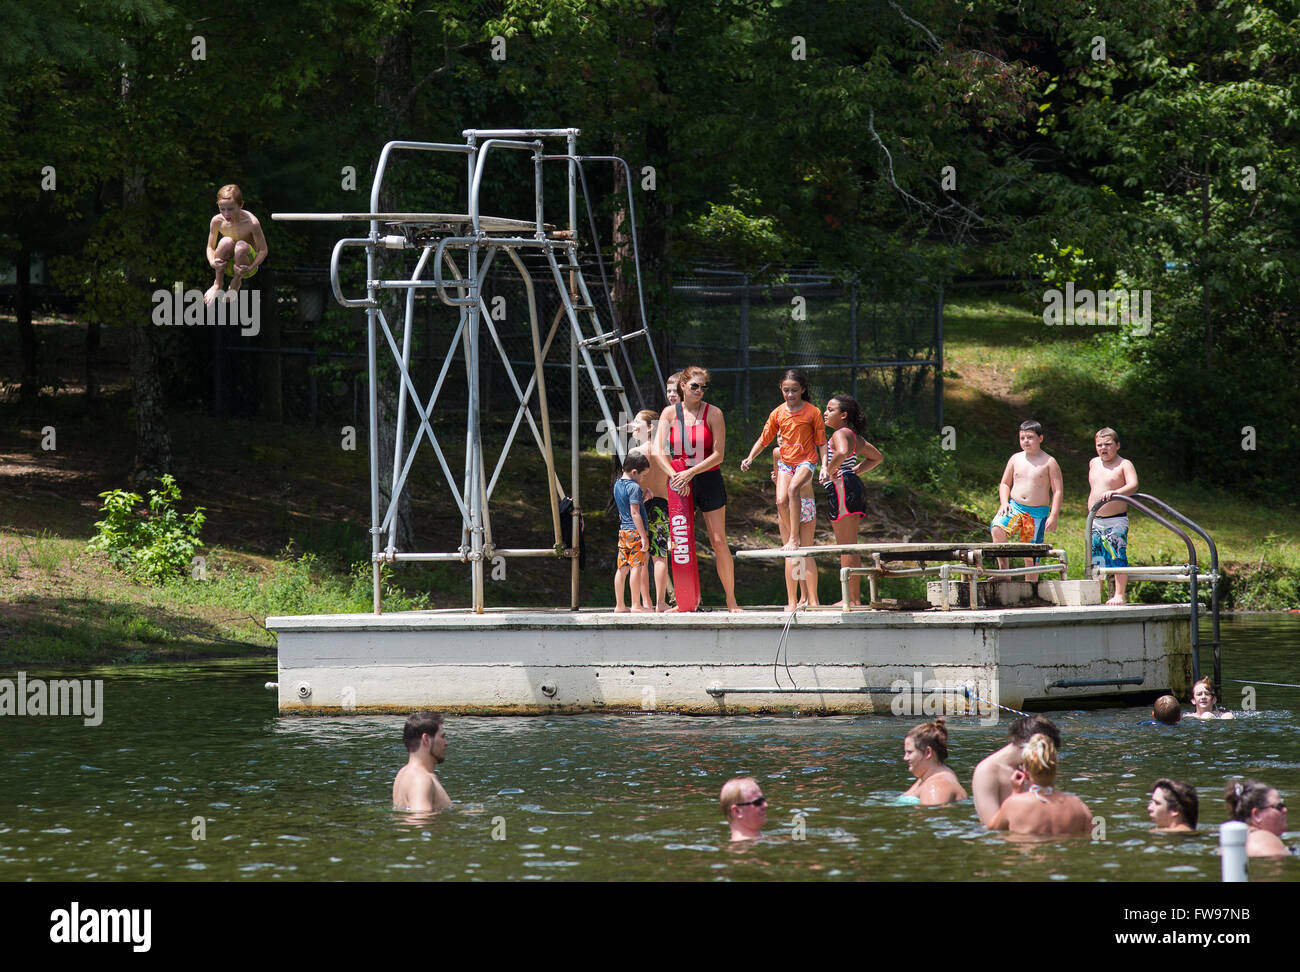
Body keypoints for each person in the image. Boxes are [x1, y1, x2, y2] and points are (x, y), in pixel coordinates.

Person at [652, 365, 741, 612]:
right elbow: (659, 450)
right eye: (695, 386)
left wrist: (690, 473)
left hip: (707, 479)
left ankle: (731, 600)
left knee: (718, 540)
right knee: (680, 541)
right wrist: (675, 476)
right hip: (678, 480)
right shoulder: (669, 413)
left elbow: (719, 455)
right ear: (683, 386)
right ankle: (685, 601)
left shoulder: (714, 413)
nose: (699, 390)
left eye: (703, 387)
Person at [740, 370, 827, 609]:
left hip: (804, 485)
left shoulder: (812, 413)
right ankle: (796, 600)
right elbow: (764, 439)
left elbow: (821, 442)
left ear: (803, 390)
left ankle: (812, 599)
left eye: (794, 390)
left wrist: (825, 467)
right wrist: (750, 458)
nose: (790, 394)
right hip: (789, 496)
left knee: (800, 548)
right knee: (782, 504)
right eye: (786, 390)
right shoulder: (779, 443)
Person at [819, 394, 883, 607]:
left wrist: (828, 470)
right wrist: (855, 469)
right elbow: (876, 457)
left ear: (843, 415)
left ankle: (851, 598)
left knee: (845, 546)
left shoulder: (840, 433)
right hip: (850, 485)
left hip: (842, 488)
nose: (825, 413)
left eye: (830, 409)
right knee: (850, 545)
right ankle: (853, 597)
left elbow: (843, 452)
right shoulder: (854, 435)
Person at [990, 420, 1063, 582]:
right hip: (1015, 507)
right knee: (997, 528)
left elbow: (1057, 490)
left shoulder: (1049, 462)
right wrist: (1004, 502)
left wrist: (1054, 515)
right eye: (1022, 438)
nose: (1026, 441)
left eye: (1030, 437)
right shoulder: (1015, 458)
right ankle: (1004, 574)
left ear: (1041, 438)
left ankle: (1031, 585)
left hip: (1035, 513)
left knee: (1030, 551)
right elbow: (1004, 483)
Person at [987, 733, 1092, 835]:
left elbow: (993, 829)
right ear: (1055, 769)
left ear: (1025, 773)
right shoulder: (1078, 805)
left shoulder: (1013, 804)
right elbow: (1095, 835)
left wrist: (1015, 793)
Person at [972, 714, 1062, 826]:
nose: (1045, 757)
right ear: (1023, 742)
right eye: (1043, 751)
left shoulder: (1033, 767)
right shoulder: (987, 770)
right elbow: (991, 825)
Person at [1087, 427, 1139, 605]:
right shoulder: (1094, 462)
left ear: (1117, 445)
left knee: (1117, 554)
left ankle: (1120, 594)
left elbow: (1133, 485)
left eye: (1108, 444)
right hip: (1094, 520)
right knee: (1096, 558)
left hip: (1116, 519)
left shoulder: (1124, 464)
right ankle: (1096, 593)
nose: (1103, 448)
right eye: (1099, 445)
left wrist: (1115, 492)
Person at [628, 409, 670, 611]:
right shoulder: (665, 452)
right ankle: (661, 602)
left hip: (641, 507)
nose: (632, 425)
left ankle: (645, 602)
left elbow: (626, 486)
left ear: (650, 427)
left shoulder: (635, 453)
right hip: (662, 505)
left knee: (642, 555)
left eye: (637, 422)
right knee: (660, 555)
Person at [204, 184, 268, 305]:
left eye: (231, 209)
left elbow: (263, 250)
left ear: (241, 205)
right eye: (222, 209)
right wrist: (213, 262)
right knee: (225, 242)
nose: (226, 214)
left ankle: (236, 282)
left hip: (246, 266)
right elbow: (210, 247)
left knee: (241, 246)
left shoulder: (251, 223)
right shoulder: (217, 221)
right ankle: (218, 283)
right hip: (227, 265)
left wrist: (251, 267)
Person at [612, 453, 651, 613]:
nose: (643, 478)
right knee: (637, 567)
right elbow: (635, 513)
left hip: (623, 531)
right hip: (635, 532)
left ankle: (619, 605)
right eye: (643, 475)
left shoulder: (617, 484)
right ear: (634, 472)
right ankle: (636, 604)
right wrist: (643, 536)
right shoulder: (634, 487)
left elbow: (625, 509)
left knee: (622, 567)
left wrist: (643, 499)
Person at [392, 711, 452, 812]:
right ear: (426, 739)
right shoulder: (421, 779)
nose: (446, 743)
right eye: (442, 737)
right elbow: (420, 821)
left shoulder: (403, 773)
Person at [901, 717, 968, 805]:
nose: (905, 758)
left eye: (909, 752)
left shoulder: (936, 787)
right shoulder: (929, 777)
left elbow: (933, 816)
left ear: (928, 752)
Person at [1224, 779, 1289, 857]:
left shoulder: (1231, 841)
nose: (1285, 810)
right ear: (1256, 814)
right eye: (1279, 807)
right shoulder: (1266, 840)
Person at [720, 776, 767, 841]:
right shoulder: (743, 849)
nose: (765, 805)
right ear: (737, 811)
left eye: (763, 800)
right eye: (757, 802)